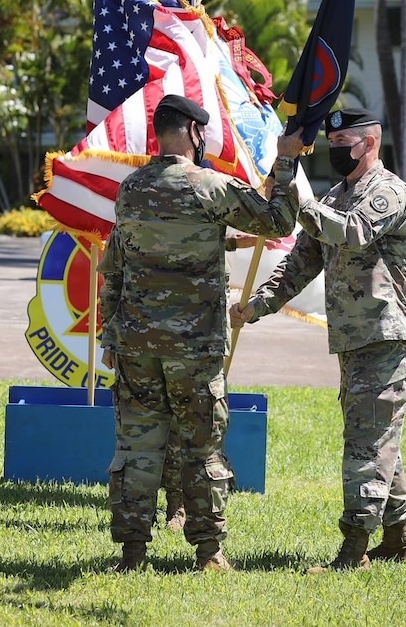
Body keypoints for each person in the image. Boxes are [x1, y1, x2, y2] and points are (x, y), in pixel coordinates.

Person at [98, 93, 303, 573]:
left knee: (137, 445)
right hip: (195, 347)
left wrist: (110, 335)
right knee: (202, 445)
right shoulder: (210, 186)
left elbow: (119, 264)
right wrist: (287, 161)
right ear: (193, 132)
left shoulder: (131, 189)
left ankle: (132, 554)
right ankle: (209, 553)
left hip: (137, 344)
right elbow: (279, 220)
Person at [230, 107, 406, 572]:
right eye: (331, 145)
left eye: (343, 144)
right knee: (375, 435)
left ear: (369, 143)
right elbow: (301, 262)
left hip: (383, 334)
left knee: (365, 442)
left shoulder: (389, 192)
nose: (335, 151)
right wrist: (258, 305)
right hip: (354, 340)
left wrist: (301, 194)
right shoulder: (337, 195)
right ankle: (397, 540)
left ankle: (353, 552)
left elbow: (351, 233)